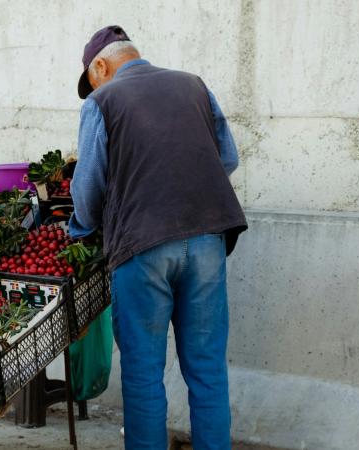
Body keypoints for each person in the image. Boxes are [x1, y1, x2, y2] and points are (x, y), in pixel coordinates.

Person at [68, 25, 248, 450]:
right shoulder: (194, 86)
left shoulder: (103, 101)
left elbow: (89, 190)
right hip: (207, 239)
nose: (95, 85)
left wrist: (80, 227)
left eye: (93, 78)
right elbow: (227, 158)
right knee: (207, 370)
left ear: (101, 65)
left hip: (142, 247)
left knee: (143, 375)